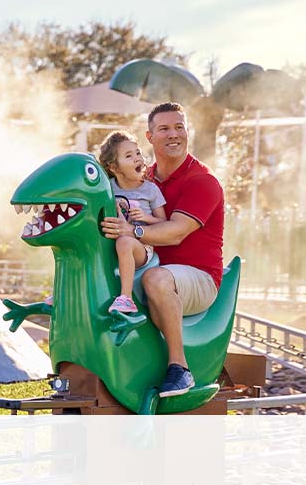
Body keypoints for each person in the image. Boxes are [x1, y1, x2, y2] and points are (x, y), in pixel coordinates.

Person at [100, 102, 224, 398]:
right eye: (164, 128)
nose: (174, 134)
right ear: (150, 136)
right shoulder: (142, 178)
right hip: (149, 266)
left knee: (154, 279)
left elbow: (177, 232)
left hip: (198, 277)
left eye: (179, 127)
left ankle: (180, 369)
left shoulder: (202, 181)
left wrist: (134, 231)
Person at [97, 131, 166, 314]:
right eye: (129, 156)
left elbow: (163, 222)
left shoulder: (150, 190)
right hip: (112, 244)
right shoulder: (108, 188)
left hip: (141, 249)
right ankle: (64, 291)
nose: (138, 158)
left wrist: (146, 217)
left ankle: (126, 299)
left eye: (138, 153)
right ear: (114, 167)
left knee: (124, 242)